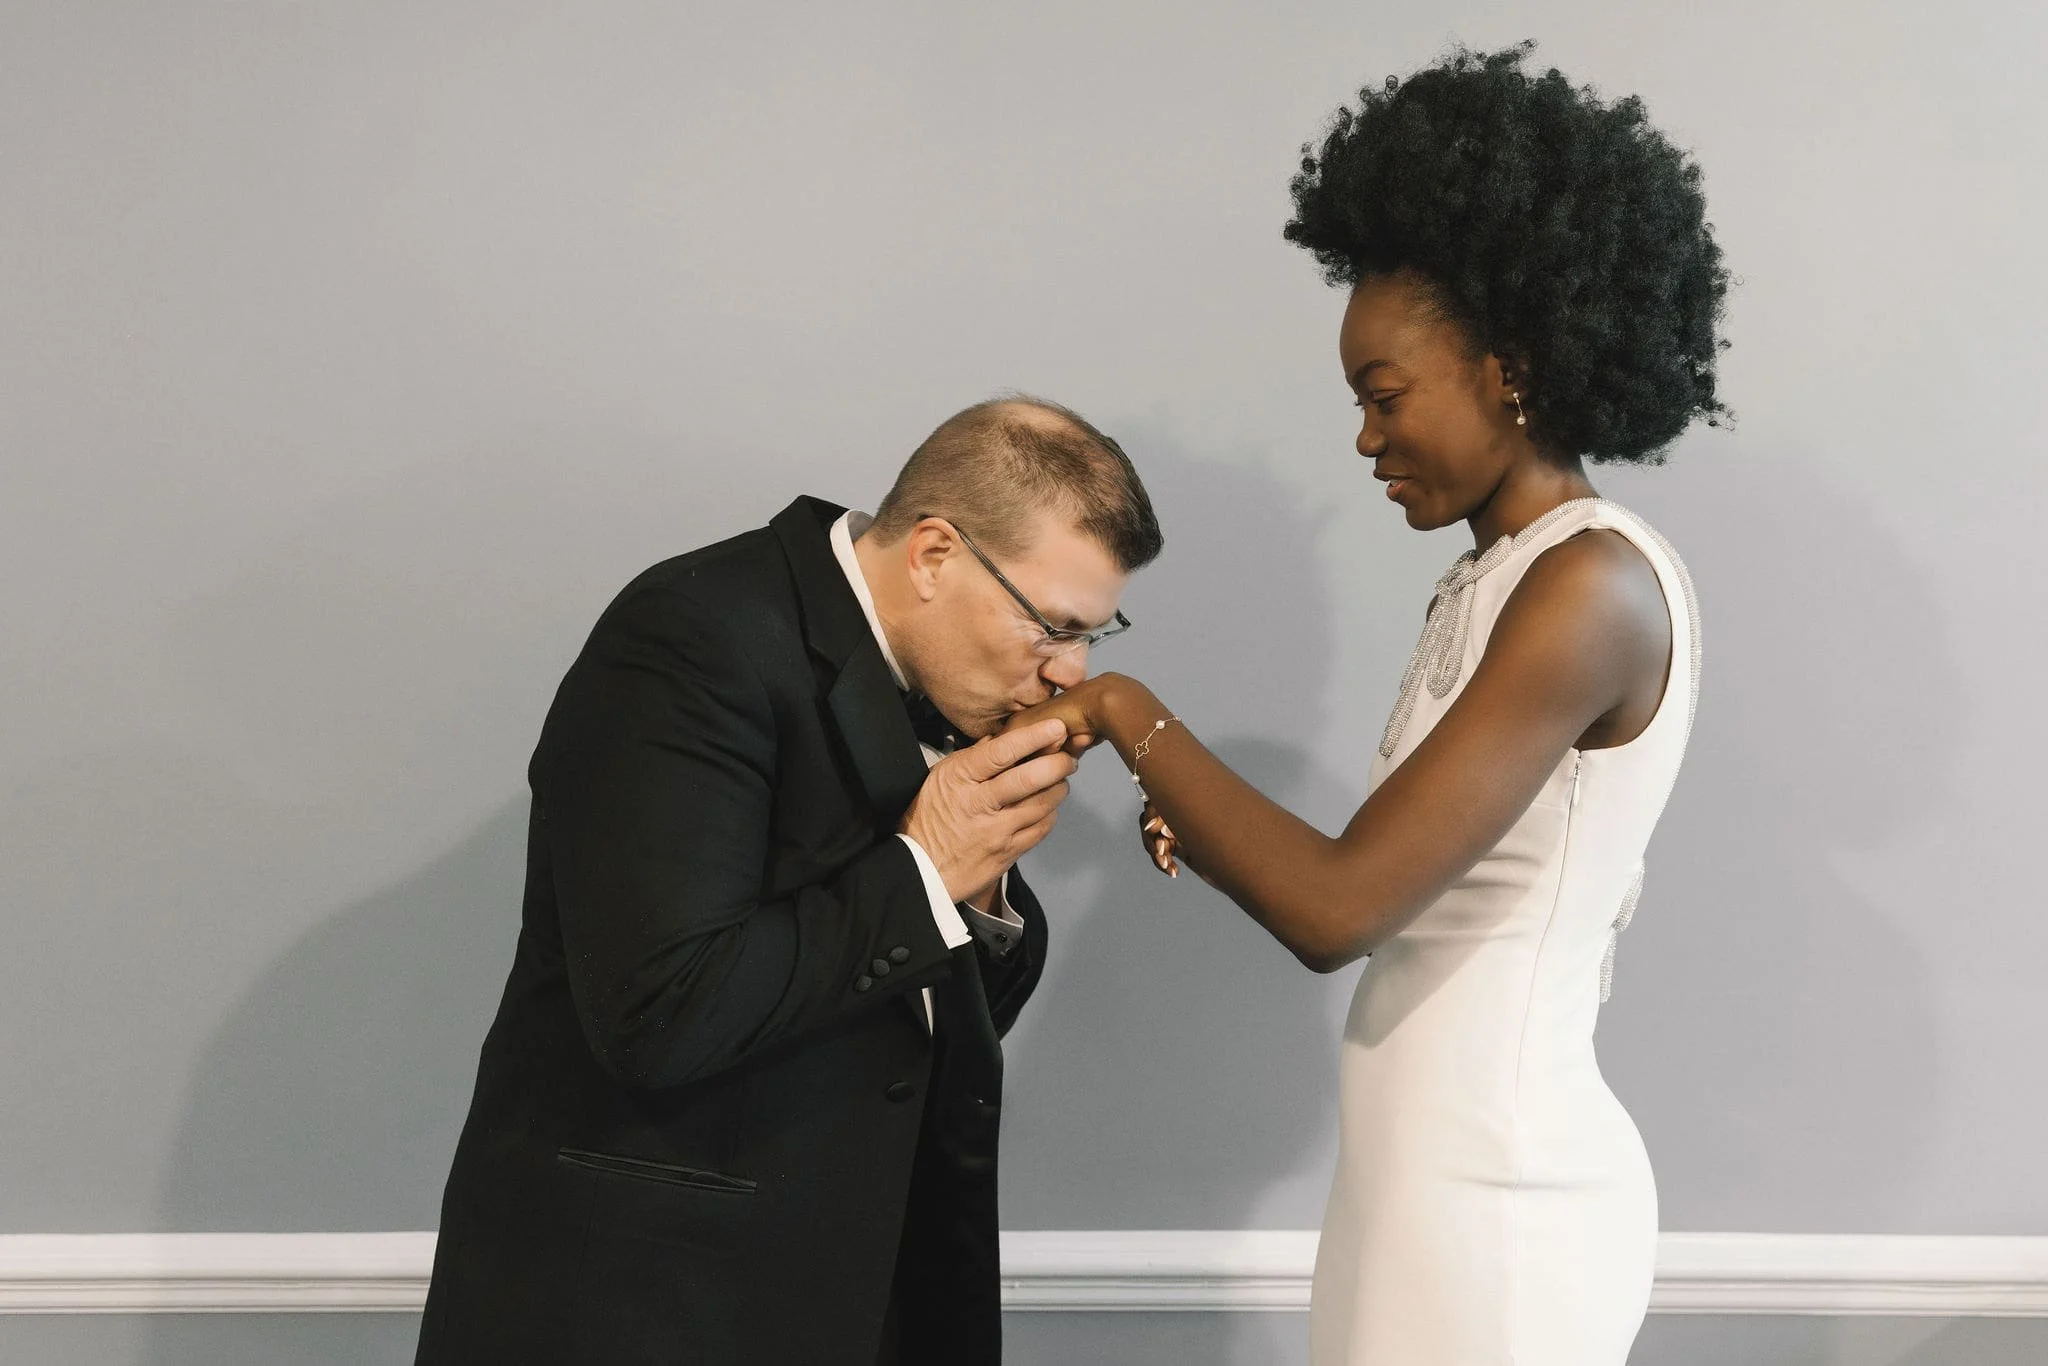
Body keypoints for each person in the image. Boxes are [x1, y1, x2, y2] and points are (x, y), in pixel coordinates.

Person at [1013, 44, 1728, 1366]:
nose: (1363, 436)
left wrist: (1122, 707)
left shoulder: (1591, 585)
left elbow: (1337, 909)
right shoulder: (1497, 577)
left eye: (1384, 395)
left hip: (1498, 1205)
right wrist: (1203, 815)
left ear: (1512, 367)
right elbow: (1389, 886)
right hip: (1420, 1186)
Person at [414, 396, 1161, 1366]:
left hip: (858, 1295)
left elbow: (917, 1033)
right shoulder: (688, 640)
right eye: (1051, 627)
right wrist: (927, 868)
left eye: (1095, 635)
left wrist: (974, 893)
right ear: (934, 555)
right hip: (646, 1312)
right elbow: (660, 1009)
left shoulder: (943, 685)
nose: (1070, 672)